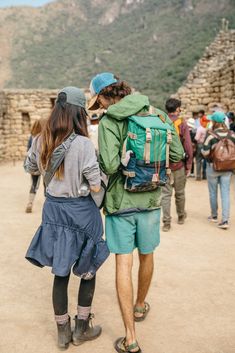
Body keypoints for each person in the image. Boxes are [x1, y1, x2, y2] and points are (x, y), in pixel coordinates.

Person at [88, 72, 184, 353]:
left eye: (101, 102)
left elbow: (107, 165)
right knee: (147, 254)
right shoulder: (158, 114)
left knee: (123, 264)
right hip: (152, 200)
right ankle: (140, 306)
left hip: (121, 203)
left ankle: (130, 338)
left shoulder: (109, 122)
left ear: (106, 96)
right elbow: (177, 155)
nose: (102, 108)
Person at [24, 87, 109, 349]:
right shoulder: (83, 144)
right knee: (87, 270)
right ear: (78, 114)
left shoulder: (41, 138)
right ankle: (82, 328)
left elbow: (29, 167)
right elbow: (95, 185)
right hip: (82, 213)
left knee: (60, 272)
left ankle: (62, 332)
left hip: (53, 211)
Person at [161, 98, 193, 232]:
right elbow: (188, 146)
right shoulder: (182, 123)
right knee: (180, 193)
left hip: (164, 165)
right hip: (179, 165)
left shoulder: (161, 121)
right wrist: (189, 165)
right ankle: (180, 216)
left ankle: (167, 223)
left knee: (165, 195)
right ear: (177, 109)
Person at [202, 111, 235, 229]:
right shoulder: (232, 134)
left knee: (213, 192)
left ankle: (214, 216)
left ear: (214, 122)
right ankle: (225, 220)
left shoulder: (211, 135)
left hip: (213, 167)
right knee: (225, 193)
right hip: (227, 167)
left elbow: (205, 152)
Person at [25, 118, 46, 213]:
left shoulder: (32, 137)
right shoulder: (46, 137)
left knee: (34, 184)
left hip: (34, 164)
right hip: (44, 164)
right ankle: (48, 203)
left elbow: (28, 151)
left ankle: (30, 203)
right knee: (47, 185)